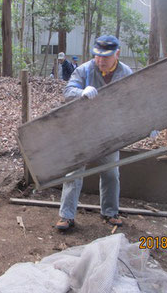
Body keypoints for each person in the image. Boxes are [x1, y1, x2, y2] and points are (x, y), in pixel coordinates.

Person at [55, 35, 133, 230]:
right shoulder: (84, 69)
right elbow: (68, 91)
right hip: (82, 129)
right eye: (97, 56)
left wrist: (147, 124)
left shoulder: (125, 73)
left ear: (117, 53)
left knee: (111, 173)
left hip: (109, 131)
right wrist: (80, 92)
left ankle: (110, 212)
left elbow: (135, 99)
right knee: (74, 173)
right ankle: (67, 216)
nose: (100, 61)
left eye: (105, 57)